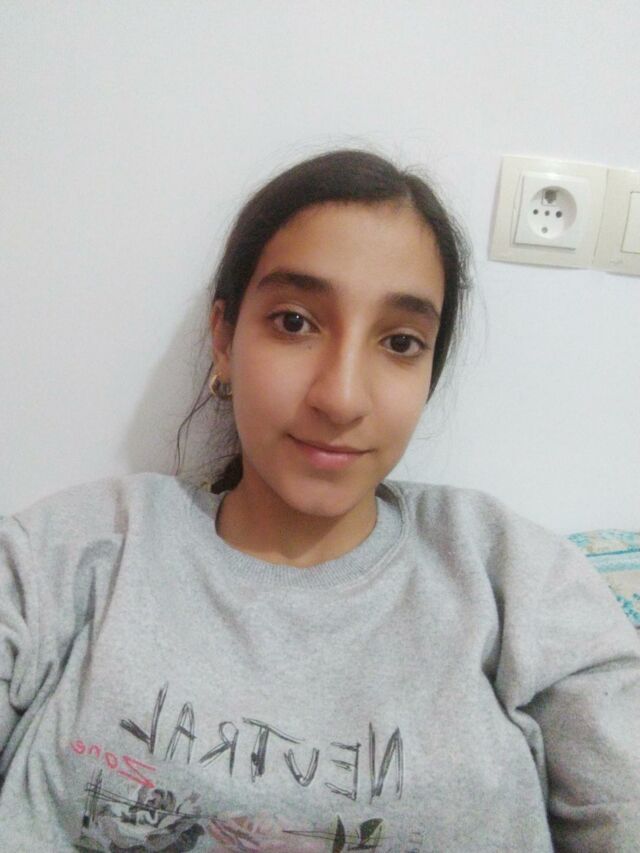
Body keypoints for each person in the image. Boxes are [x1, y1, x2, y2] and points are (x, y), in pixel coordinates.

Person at [0, 149, 639, 853]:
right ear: (224, 339)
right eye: (295, 323)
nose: (340, 397)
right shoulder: (72, 556)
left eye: (401, 341)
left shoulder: (515, 579)